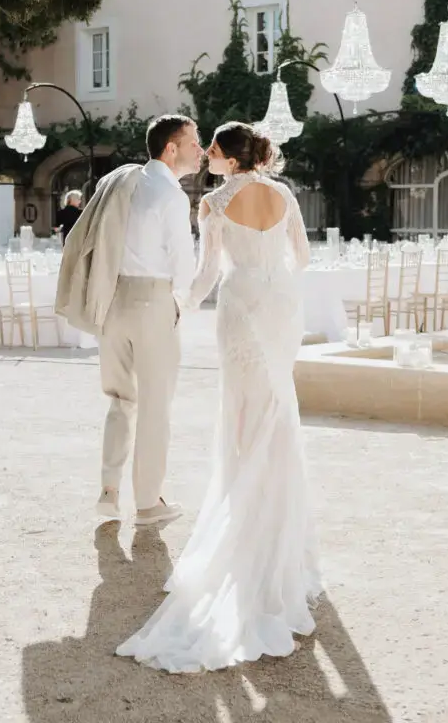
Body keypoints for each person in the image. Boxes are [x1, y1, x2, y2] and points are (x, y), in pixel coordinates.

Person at [116, 121, 322, 673]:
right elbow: (301, 258)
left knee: (241, 413)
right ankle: (278, 529)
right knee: (278, 411)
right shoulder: (282, 194)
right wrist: (269, 274)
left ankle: (243, 515)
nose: (205, 154)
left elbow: (207, 272)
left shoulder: (212, 204)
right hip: (279, 308)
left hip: (239, 308)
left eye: (211, 148)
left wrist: (179, 306)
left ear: (230, 158)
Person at [54, 115, 203, 527]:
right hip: (152, 301)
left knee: (121, 400)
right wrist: (183, 300)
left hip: (112, 301)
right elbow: (183, 263)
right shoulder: (170, 195)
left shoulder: (122, 182)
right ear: (170, 148)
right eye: (193, 142)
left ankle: (108, 491)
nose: (200, 150)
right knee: (156, 406)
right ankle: (148, 504)